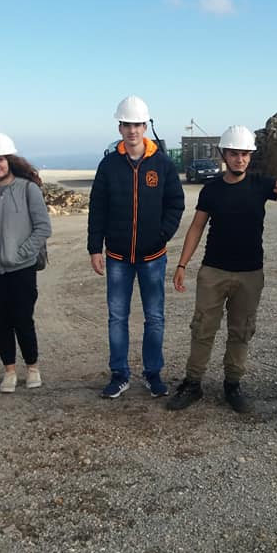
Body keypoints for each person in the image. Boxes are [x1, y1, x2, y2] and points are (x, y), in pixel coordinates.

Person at [167, 125, 277, 413]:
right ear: (224, 155)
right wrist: (182, 264)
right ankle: (192, 383)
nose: (240, 159)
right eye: (234, 153)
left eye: (245, 154)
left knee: (241, 331)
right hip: (213, 271)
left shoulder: (261, 184)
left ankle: (233, 385)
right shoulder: (211, 189)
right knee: (202, 328)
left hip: (250, 273)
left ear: (250, 156)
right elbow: (197, 227)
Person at [87, 95, 185, 399]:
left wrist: (162, 235)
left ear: (145, 126)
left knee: (154, 317)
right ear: (120, 127)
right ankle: (119, 375)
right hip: (117, 256)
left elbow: (176, 203)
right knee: (117, 317)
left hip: (153, 256)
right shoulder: (109, 165)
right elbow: (97, 207)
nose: (132, 130)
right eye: (127, 124)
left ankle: (153, 374)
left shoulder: (162, 164)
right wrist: (94, 247)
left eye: (137, 124)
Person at [0, 131, 52, 394]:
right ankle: (9, 371)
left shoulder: (28, 189)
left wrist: (22, 254)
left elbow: (43, 228)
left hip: (22, 269)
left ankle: (32, 367)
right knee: (2, 322)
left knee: (23, 319)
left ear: (10, 160)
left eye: (0, 159)